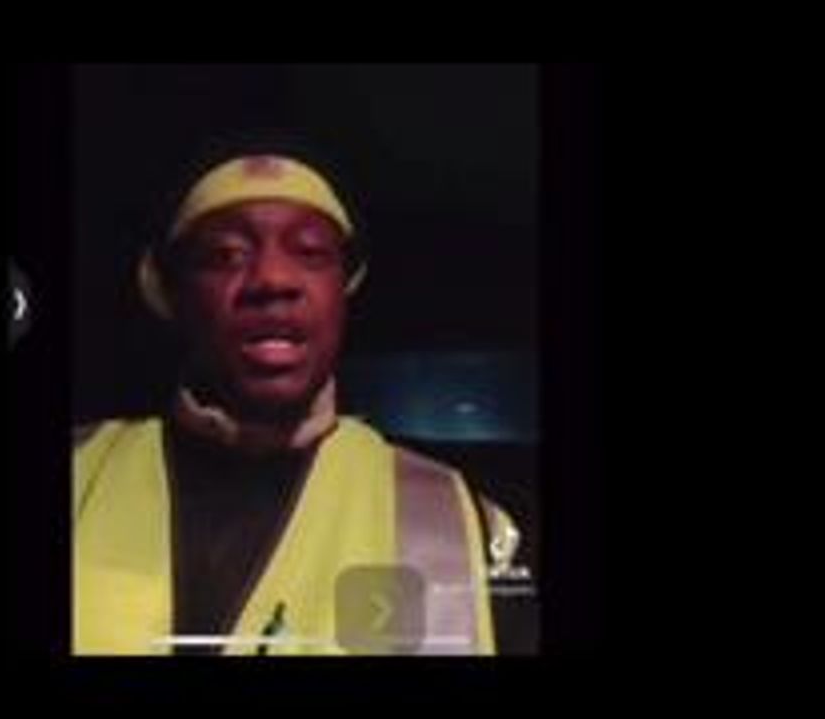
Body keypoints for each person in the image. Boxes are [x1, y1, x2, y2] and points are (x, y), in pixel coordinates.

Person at [73, 153, 519, 655]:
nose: (272, 280)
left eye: (310, 252)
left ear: (343, 290)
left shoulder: (449, 514)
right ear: (171, 292)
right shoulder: (81, 470)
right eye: (225, 254)